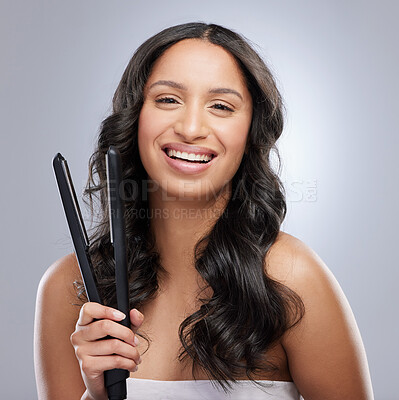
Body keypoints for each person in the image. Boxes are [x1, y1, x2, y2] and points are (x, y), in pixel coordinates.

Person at [34, 22, 374, 400]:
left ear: (250, 131)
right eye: (167, 99)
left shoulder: (291, 277)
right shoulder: (70, 288)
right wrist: (97, 395)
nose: (192, 128)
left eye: (221, 106)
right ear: (134, 117)